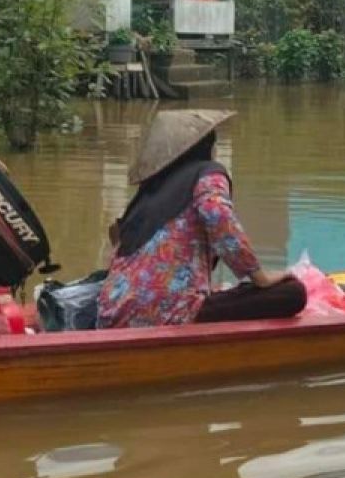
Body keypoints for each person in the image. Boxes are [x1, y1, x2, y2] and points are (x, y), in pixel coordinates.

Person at [97, 110, 306, 328]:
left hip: (112, 313)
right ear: (209, 148)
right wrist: (259, 276)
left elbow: (119, 248)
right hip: (171, 313)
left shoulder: (147, 192)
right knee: (293, 292)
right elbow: (218, 215)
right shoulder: (208, 173)